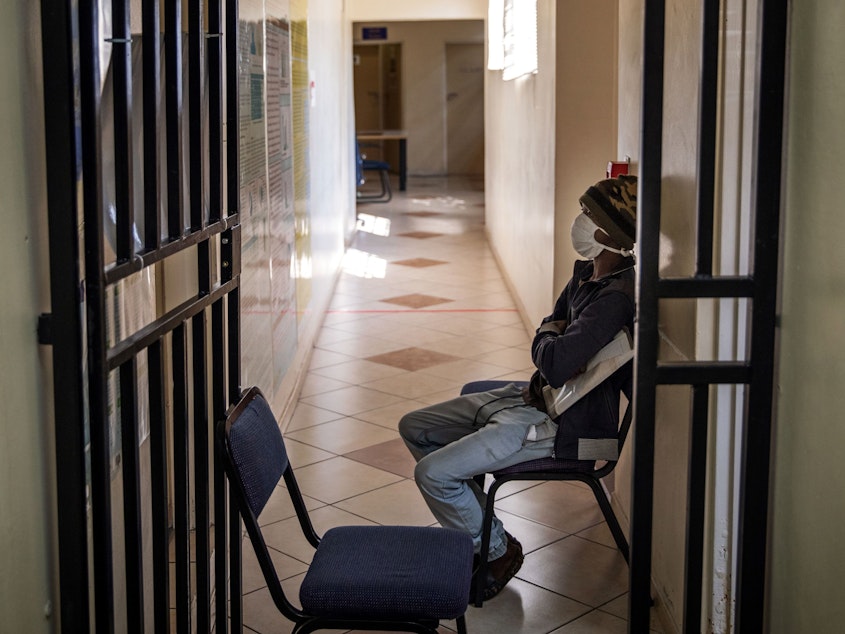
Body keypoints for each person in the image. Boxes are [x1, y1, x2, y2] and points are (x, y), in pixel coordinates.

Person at [399, 174, 637, 601]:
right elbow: (551, 339)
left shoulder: (616, 298)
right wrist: (552, 338)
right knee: (415, 426)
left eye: (589, 215)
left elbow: (555, 358)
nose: (578, 221)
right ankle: (477, 526)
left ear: (610, 234)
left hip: (566, 425)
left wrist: (550, 340)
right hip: (534, 395)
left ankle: (495, 549)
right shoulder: (587, 273)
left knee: (432, 473)